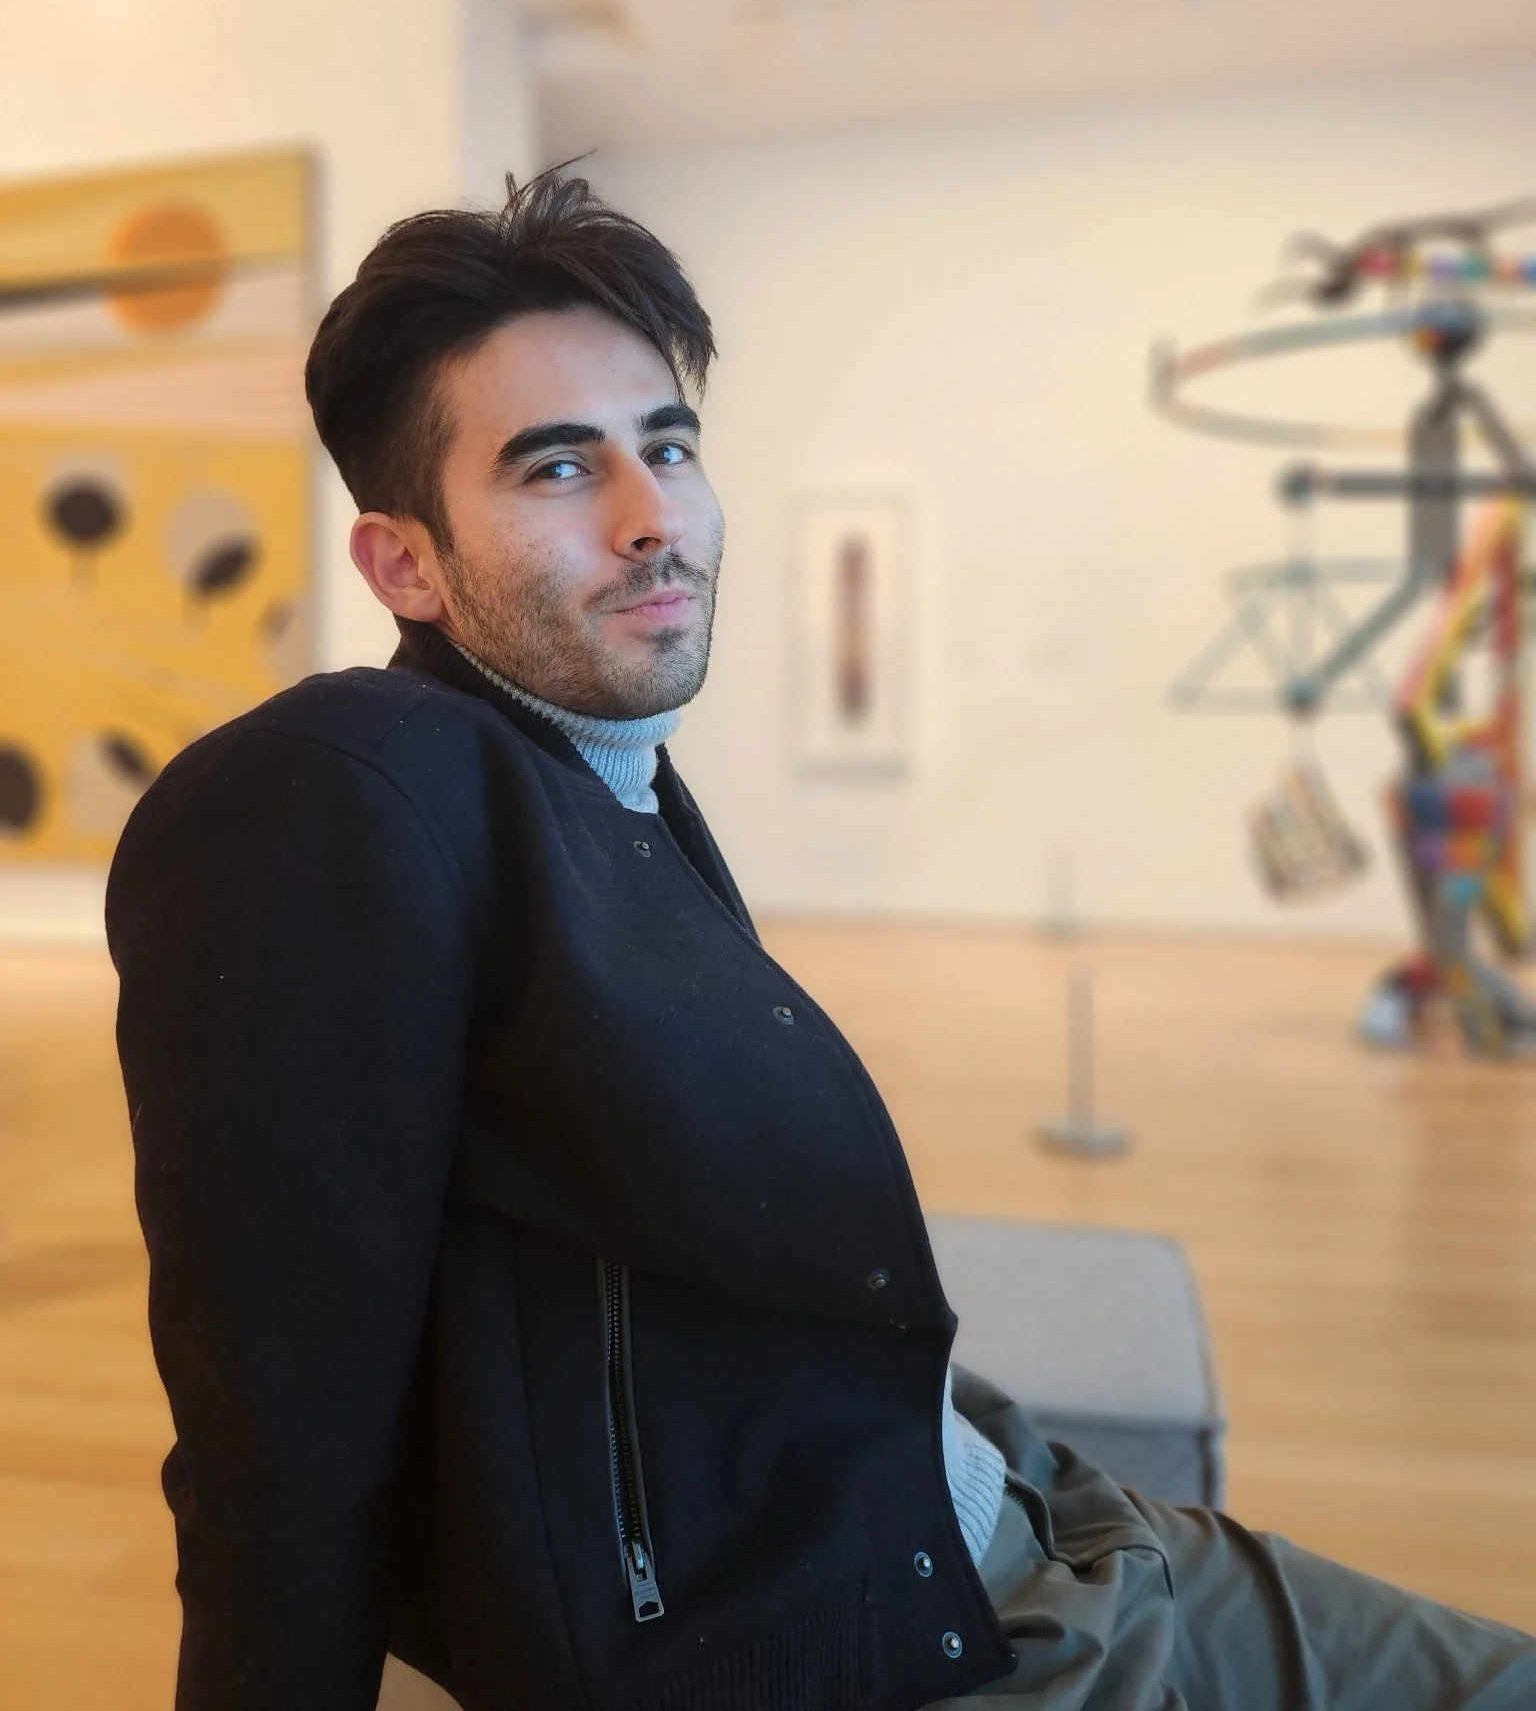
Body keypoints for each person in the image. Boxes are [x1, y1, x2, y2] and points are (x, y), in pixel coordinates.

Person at [109, 168, 1536, 1711]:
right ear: (405, 565)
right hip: (947, 1652)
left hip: (1037, 1519)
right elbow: (276, 1449)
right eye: (559, 468)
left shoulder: (610, 789)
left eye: (669, 446)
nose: (654, 516)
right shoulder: (341, 789)